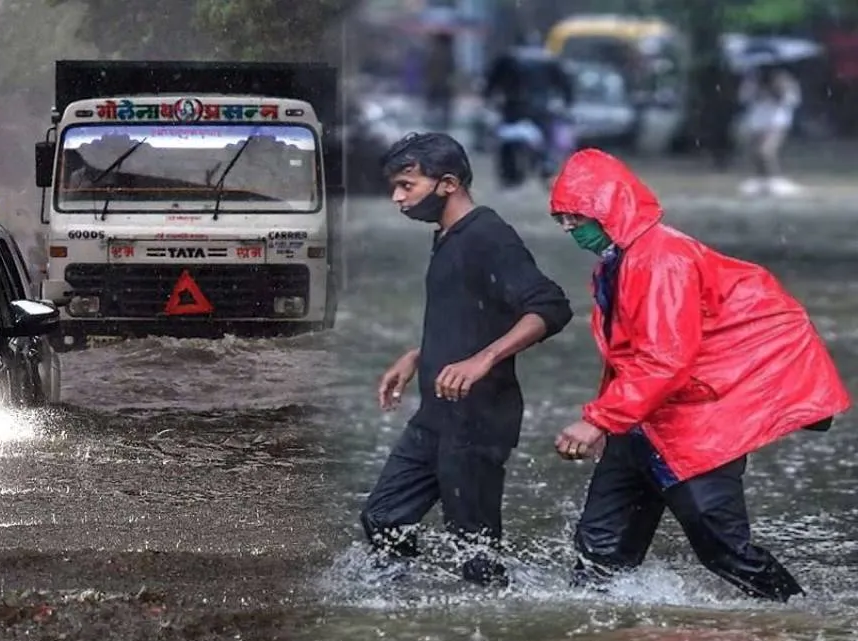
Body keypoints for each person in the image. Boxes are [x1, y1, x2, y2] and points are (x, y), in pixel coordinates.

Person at [548, 148, 851, 602]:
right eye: (563, 220)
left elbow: (663, 359)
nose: (571, 229)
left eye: (576, 217)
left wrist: (598, 419)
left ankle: (803, 617)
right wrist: (610, 421)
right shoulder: (621, 262)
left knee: (726, 553)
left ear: (610, 210)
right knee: (597, 559)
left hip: (692, 431)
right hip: (640, 424)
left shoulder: (659, 259)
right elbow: (630, 356)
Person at [360, 133, 574, 587]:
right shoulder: (448, 235)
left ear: (448, 183)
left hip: (478, 419)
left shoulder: (488, 235)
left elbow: (550, 306)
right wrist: (420, 354)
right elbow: (473, 312)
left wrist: (483, 360)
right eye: (394, 188)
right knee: (383, 517)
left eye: (406, 185)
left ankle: (490, 638)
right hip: (436, 414)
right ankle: (403, 613)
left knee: (474, 549)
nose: (397, 199)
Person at [483, 34, 575, 188]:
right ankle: (546, 165)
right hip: (540, 108)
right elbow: (565, 85)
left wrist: (489, 98)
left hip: (513, 107)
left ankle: (510, 174)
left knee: (507, 139)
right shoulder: (549, 60)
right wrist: (567, 102)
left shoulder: (507, 59)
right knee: (545, 142)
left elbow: (491, 82)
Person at [739, 65, 802, 196]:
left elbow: (792, 101)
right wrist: (756, 90)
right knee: (755, 154)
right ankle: (762, 181)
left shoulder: (786, 80)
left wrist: (778, 90)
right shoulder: (752, 80)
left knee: (765, 151)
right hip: (756, 122)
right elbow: (743, 98)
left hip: (776, 122)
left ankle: (775, 180)